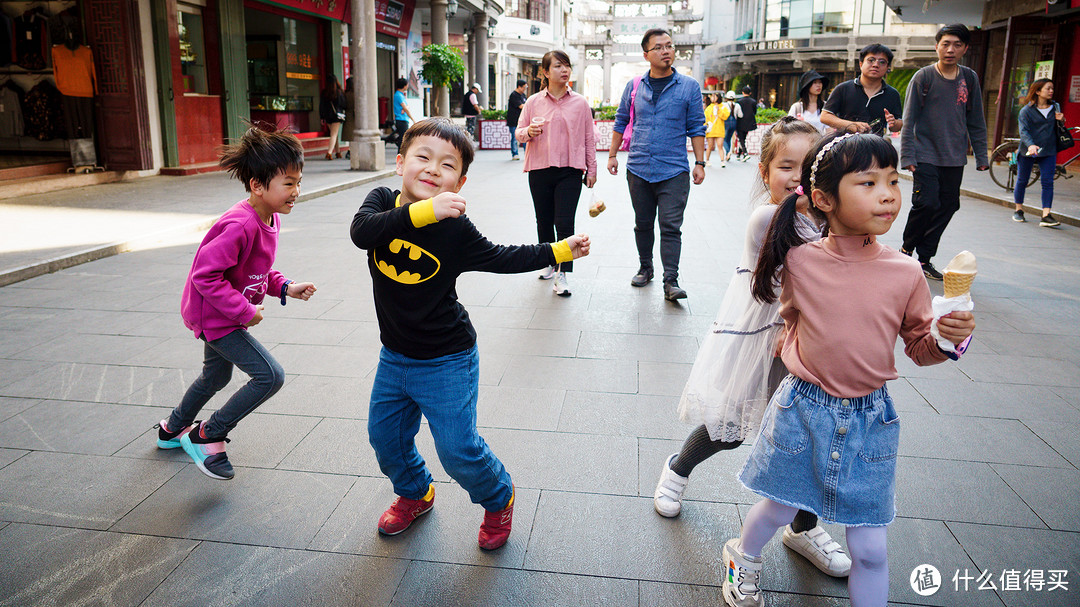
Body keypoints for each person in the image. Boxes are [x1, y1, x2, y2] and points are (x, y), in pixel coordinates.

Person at [720, 132, 975, 607]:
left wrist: (947, 338)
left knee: (871, 547)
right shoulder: (799, 262)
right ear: (824, 198)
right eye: (867, 182)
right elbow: (790, 316)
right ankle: (742, 556)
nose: (887, 194)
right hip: (802, 410)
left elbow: (920, 347)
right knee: (777, 508)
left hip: (870, 421)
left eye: (893, 180)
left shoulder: (905, 272)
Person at [350, 118, 591, 551]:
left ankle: (499, 496)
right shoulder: (382, 202)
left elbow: (501, 256)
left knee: (458, 449)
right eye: (422, 157)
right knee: (384, 438)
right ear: (400, 162)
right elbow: (361, 232)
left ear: (459, 183)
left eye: (446, 166)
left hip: (447, 358)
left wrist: (559, 249)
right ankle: (415, 493)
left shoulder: (455, 229)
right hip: (395, 357)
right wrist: (423, 212)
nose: (431, 169)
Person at [655, 118, 853, 578]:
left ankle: (804, 527)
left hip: (808, 344)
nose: (798, 178)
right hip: (763, 338)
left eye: (810, 167)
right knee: (729, 430)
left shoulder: (828, 220)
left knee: (805, 439)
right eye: (787, 166)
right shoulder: (768, 218)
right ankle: (677, 469)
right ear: (765, 173)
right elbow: (798, 280)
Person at [156, 125, 317, 481]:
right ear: (257, 186)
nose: (296, 191)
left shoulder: (267, 218)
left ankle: (171, 429)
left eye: (298, 182)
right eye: (288, 183)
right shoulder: (239, 224)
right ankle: (207, 435)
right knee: (270, 376)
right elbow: (205, 276)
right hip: (216, 318)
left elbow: (257, 270)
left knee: (214, 376)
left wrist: (285, 287)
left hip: (224, 314)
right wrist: (245, 311)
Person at [608, 28, 707, 301]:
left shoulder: (689, 86)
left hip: (674, 169)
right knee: (642, 223)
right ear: (646, 55)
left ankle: (671, 280)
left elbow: (697, 127)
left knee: (670, 225)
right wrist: (612, 155)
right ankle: (645, 267)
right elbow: (621, 121)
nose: (666, 51)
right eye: (659, 47)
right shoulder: (634, 86)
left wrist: (699, 162)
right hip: (638, 167)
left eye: (670, 46)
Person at [900, 24, 989, 281]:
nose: (950, 50)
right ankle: (906, 251)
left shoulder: (969, 78)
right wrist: (907, 156)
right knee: (926, 203)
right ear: (937, 46)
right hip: (925, 154)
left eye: (957, 45)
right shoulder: (924, 77)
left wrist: (982, 156)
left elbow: (976, 120)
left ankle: (925, 258)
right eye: (945, 44)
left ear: (965, 49)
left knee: (949, 205)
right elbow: (910, 117)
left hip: (954, 156)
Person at [516, 50, 597, 297]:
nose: (564, 70)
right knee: (544, 220)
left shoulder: (581, 103)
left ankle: (563, 273)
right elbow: (519, 133)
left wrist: (591, 168)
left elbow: (589, 138)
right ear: (545, 72)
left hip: (571, 171)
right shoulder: (533, 102)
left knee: (564, 223)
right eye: (559, 66)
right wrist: (529, 131)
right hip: (540, 169)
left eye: (567, 66)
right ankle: (549, 262)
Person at [821, 44, 903, 137]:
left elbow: (898, 124)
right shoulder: (843, 88)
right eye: (871, 60)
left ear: (888, 67)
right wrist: (850, 125)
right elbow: (825, 116)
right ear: (861, 64)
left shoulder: (892, 94)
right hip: (845, 145)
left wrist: (894, 123)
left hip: (875, 147)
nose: (876, 65)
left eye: (882, 62)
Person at [1012, 78, 1062, 227]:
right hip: (1028, 150)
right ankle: (1019, 210)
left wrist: (1062, 120)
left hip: (1049, 150)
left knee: (1048, 182)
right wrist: (1031, 145)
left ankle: (1046, 215)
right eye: (1048, 88)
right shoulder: (1026, 111)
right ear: (1038, 91)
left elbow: (1058, 128)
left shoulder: (1055, 107)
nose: (1051, 91)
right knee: (1022, 180)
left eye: (1052, 88)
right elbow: (1024, 131)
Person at [788, 70, 829, 135]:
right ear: (807, 85)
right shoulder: (797, 107)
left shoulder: (825, 106)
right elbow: (788, 129)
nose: (818, 85)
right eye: (815, 82)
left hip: (820, 143)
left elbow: (829, 131)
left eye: (820, 82)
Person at [319, 75, 347, 159]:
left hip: (328, 116)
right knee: (334, 135)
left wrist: (322, 117)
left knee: (334, 134)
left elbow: (321, 106)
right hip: (336, 116)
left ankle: (338, 152)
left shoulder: (324, 92)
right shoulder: (339, 92)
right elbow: (344, 104)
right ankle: (329, 153)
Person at [704, 92, 728, 166]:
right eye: (712, 97)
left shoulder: (723, 107)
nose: (712, 98)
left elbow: (725, 116)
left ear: (718, 97)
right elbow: (705, 119)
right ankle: (707, 160)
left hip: (719, 129)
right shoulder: (709, 108)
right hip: (711, 130)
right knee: (710, 146)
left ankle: (722, 161)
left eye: (714, 96)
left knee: (720, 145)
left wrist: (718, 111)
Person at [735, 86, 758, 161]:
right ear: (750, 93)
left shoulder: (739, 102)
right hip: (749, 122)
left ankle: (745, 153)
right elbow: (755, 112)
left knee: (741, 138)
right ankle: (739, 154)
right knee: (743, 138)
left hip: (740, 122)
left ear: (742, 92)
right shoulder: (753, 102)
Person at [507, 79, 528, 160]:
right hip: (513, 120)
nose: (524, 89)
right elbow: (521, 106)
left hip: (523, 120)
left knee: (525, 137)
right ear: (519, 87)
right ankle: (515, 154)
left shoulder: (523, 95)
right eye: (524, 87)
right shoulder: (514, 95)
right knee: (514, 138)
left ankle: (527, 153)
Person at [392, 77, 415, 149]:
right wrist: (413, 119)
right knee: (403, 140)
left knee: (402, 139)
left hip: (402, 120)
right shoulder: (399, 95)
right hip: (402, 120)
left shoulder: (400, 95)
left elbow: (405, 107)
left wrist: (405, 108)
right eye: (407, 85)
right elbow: (406, 108)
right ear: (404, 86)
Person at [722, 90, 741, 164]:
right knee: (729, 139)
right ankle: (727, 154)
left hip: (726, 123)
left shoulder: (724, 105)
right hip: (734, 123)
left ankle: (727, 152)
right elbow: (740, 115)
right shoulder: (737, 105)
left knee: (724, 139)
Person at [343, 77, 355, 159]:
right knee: (354, 134)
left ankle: (350, 150)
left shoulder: (345, 94)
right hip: (355, 115)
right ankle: (351, 151)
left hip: (348, 114)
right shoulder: (356, 94)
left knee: (350, 134)